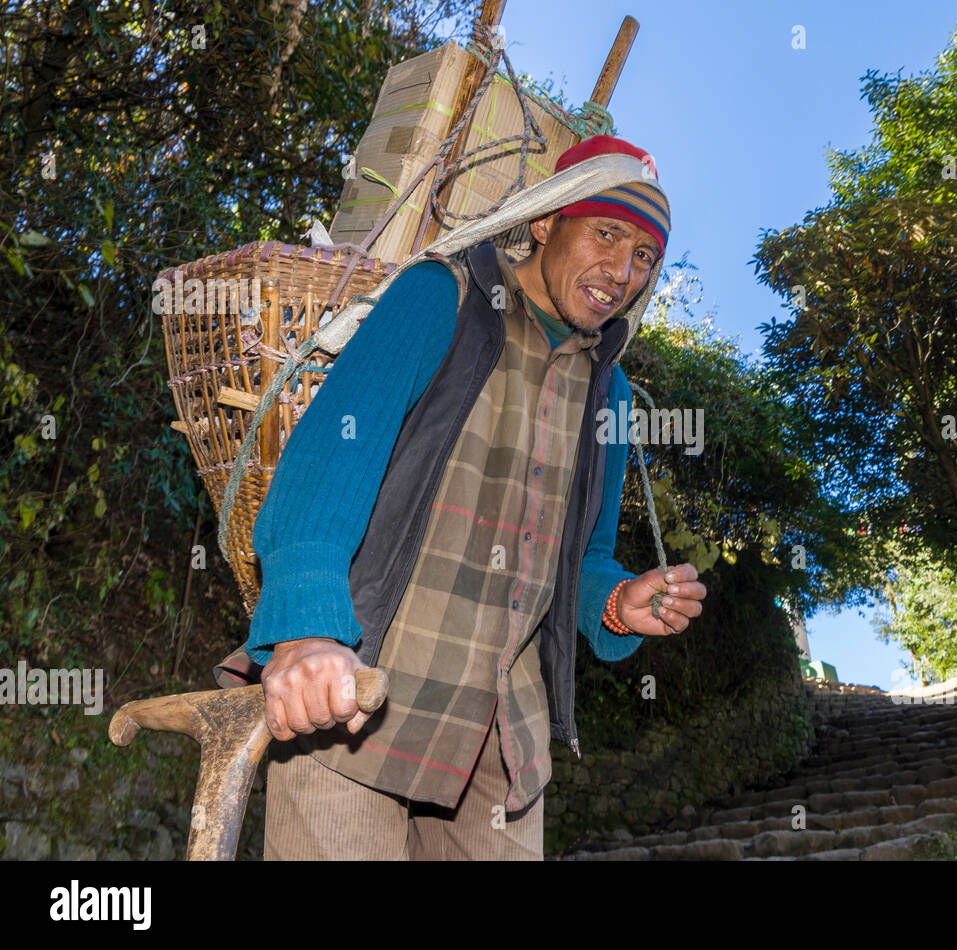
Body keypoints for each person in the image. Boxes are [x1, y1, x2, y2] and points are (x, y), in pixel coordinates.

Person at [239, 134, 707, 860]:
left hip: (502, 746)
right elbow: (327, 462)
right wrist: (306, 631)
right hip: (359, 702)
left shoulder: (608, 394)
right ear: (548, 221)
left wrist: (616, 603)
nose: (622, 271)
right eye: (607, 234)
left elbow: (585, 559)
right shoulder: (442, 298)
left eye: (644, 256)